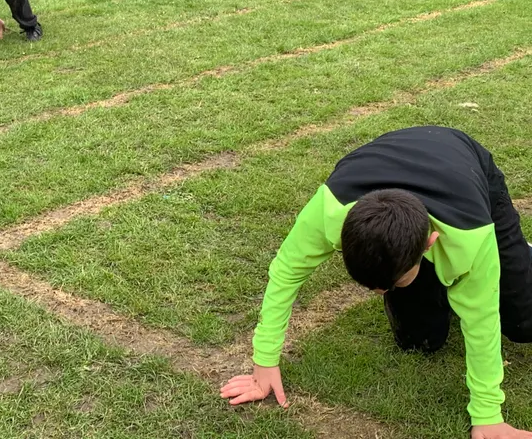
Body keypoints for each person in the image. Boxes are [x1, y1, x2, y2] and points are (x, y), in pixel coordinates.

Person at [220, 127, 532, 439]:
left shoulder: (471, 237)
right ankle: (432, 280)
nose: (381, 292)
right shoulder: (329, 211)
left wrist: (488, 414)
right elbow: (285, 272)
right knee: (418, 342)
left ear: (428, 243)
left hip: (467, 169)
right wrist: (263, 362)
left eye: (390, 283)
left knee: (521, 322)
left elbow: (482, 319)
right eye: (374, 288)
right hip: (393, 170)